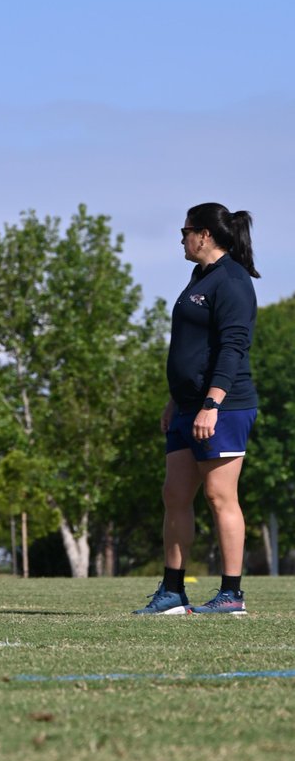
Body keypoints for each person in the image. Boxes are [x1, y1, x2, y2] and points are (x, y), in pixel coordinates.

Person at [135, 203, 260, 616]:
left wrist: (211, 404)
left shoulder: (233, 281)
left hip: (223, 406)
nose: (181, 238)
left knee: (219, 495)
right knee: (174, 494)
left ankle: (231, 595)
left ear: (204, 234)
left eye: (185, 231)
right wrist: (177, 400)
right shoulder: (199, 277)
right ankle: (173, 591)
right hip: (188, 407)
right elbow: (192, 348)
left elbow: (232, 348)